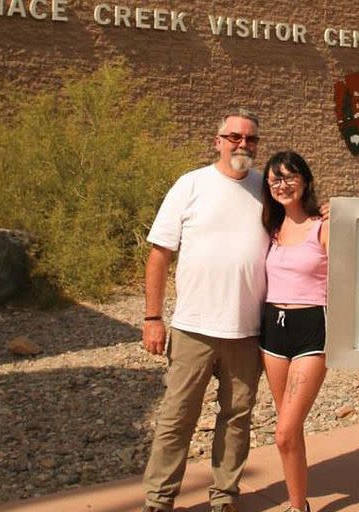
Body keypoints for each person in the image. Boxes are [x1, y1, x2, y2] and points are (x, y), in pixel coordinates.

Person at [140, 108, 268, 512]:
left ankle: (225, 498)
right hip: (194, 328)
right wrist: (152, 317)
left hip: (247, 332)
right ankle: (158, 501)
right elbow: (159, 255)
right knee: (176, 419)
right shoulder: (190, 185)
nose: (242, 145)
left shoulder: (266, 189)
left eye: (250, 139)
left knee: (236, 420)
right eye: (234, 137)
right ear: (217, 141)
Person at [260, 151, 329, 512]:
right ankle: (297, 504)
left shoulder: (324, 225)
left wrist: (341, 209)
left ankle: (299, 506)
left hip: (310, 330)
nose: (282, 185)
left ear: (305, 180)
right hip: (273, 332)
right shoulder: (270, 229)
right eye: (275, 180)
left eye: (289, 177)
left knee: (284, 431)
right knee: (292, 429)